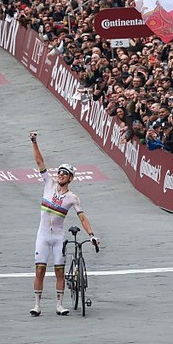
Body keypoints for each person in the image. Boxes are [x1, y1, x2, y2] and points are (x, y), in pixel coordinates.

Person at [29, 132, 99, 316]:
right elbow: (39, 162)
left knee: (59, 272)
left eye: (65, 173)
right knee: (40, 270)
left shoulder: (72, 197)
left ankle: (59, 305)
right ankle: (37, 304)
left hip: (58, 237)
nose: (60, 175)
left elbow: (82, 217)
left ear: (70, 178)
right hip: (43, 236)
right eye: (59, 172)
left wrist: (91, 235)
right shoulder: (49, 184)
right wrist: (34, 141)